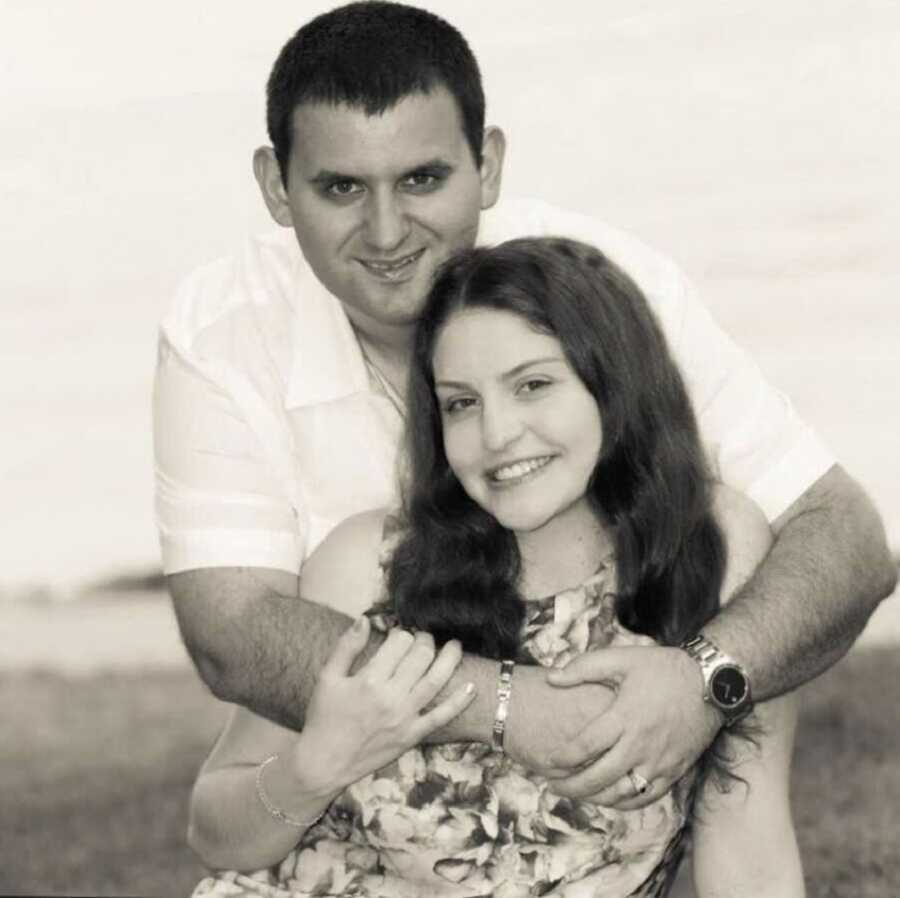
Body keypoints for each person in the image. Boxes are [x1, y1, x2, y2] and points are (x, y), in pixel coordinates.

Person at [154, 1, 895, 809]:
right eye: (340, 187)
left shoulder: (601, 290)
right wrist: (510, 707)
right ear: (276, 186)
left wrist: (703, 676)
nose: (387, 229)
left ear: (489, 163)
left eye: (422, 178)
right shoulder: (222, 329)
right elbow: (231, 632)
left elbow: (848, 538)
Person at [189, 237, 804, 897]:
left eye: (533, 385)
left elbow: (749, 841)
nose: (496, 434)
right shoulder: (368, 566)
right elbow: (215, 833)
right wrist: (313, 767)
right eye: (462, 402)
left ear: (615, 381)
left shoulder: (717, 554)